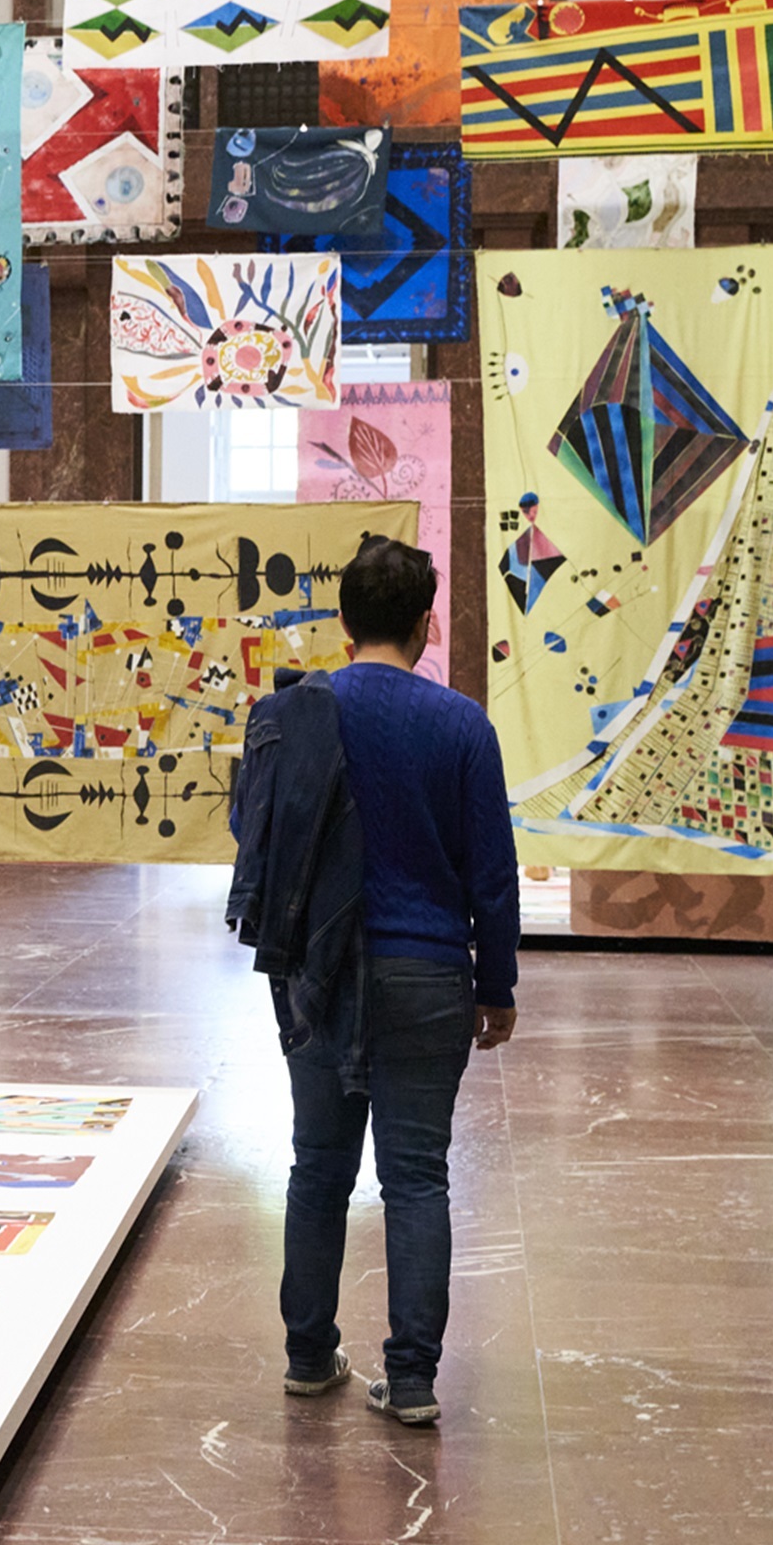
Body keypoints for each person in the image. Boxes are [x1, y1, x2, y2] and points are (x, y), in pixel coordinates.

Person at [227, 537, 519, 1429]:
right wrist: (496, 984)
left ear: (343, 624)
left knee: (318, 1167)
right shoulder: (463, 723)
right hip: (428, 973)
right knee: (417, 1178)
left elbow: (252, 834)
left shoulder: (289, 716)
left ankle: (310, 1357)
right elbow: (493, 873)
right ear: (426, 623)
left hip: (316, 975)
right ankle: (415, 1377)